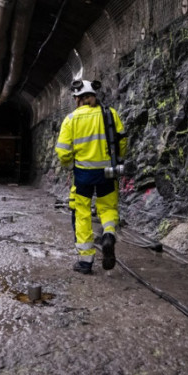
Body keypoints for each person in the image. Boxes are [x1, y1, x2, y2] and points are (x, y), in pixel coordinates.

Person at [55, 80, 126, 274]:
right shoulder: (110, 114)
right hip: (108, 172)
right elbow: (122, 139)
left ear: (77, 99)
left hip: (83, 174)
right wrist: (118, 160)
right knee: (108, 207)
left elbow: (62, 151)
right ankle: (109, 234)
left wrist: (70, 165)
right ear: (94, 96)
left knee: (82, 213)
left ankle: (86, 262)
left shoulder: (71, 119)